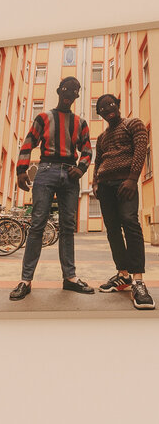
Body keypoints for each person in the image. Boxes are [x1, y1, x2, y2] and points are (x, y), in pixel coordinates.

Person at [9, 75, 94, 301]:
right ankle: (25, 280)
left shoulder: (81, 123)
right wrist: (21, 171)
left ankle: (70, 278)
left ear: (77, 95)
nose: (70, 95)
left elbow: (87, 149)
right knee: (37, 224)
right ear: (59, 91)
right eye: (67, 90)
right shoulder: (44, 117)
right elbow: (28, 143)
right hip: (45, 170)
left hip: (70, 174)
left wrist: (82, 168)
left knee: (68, 226)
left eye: (75, 92)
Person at [91, 94, 153, 310]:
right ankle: (123, 275)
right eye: (101, 107)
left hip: (125, 182)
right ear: (99, 113)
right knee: (112, 231)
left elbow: (141, 150)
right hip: (105, 187)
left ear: (117, 105)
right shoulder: (101, 138)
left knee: (130, 224)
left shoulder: (133, 124)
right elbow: (98, 161)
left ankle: (138, 280)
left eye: (110, 103)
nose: (107, 107)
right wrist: (95, 183)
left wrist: (133, 179)